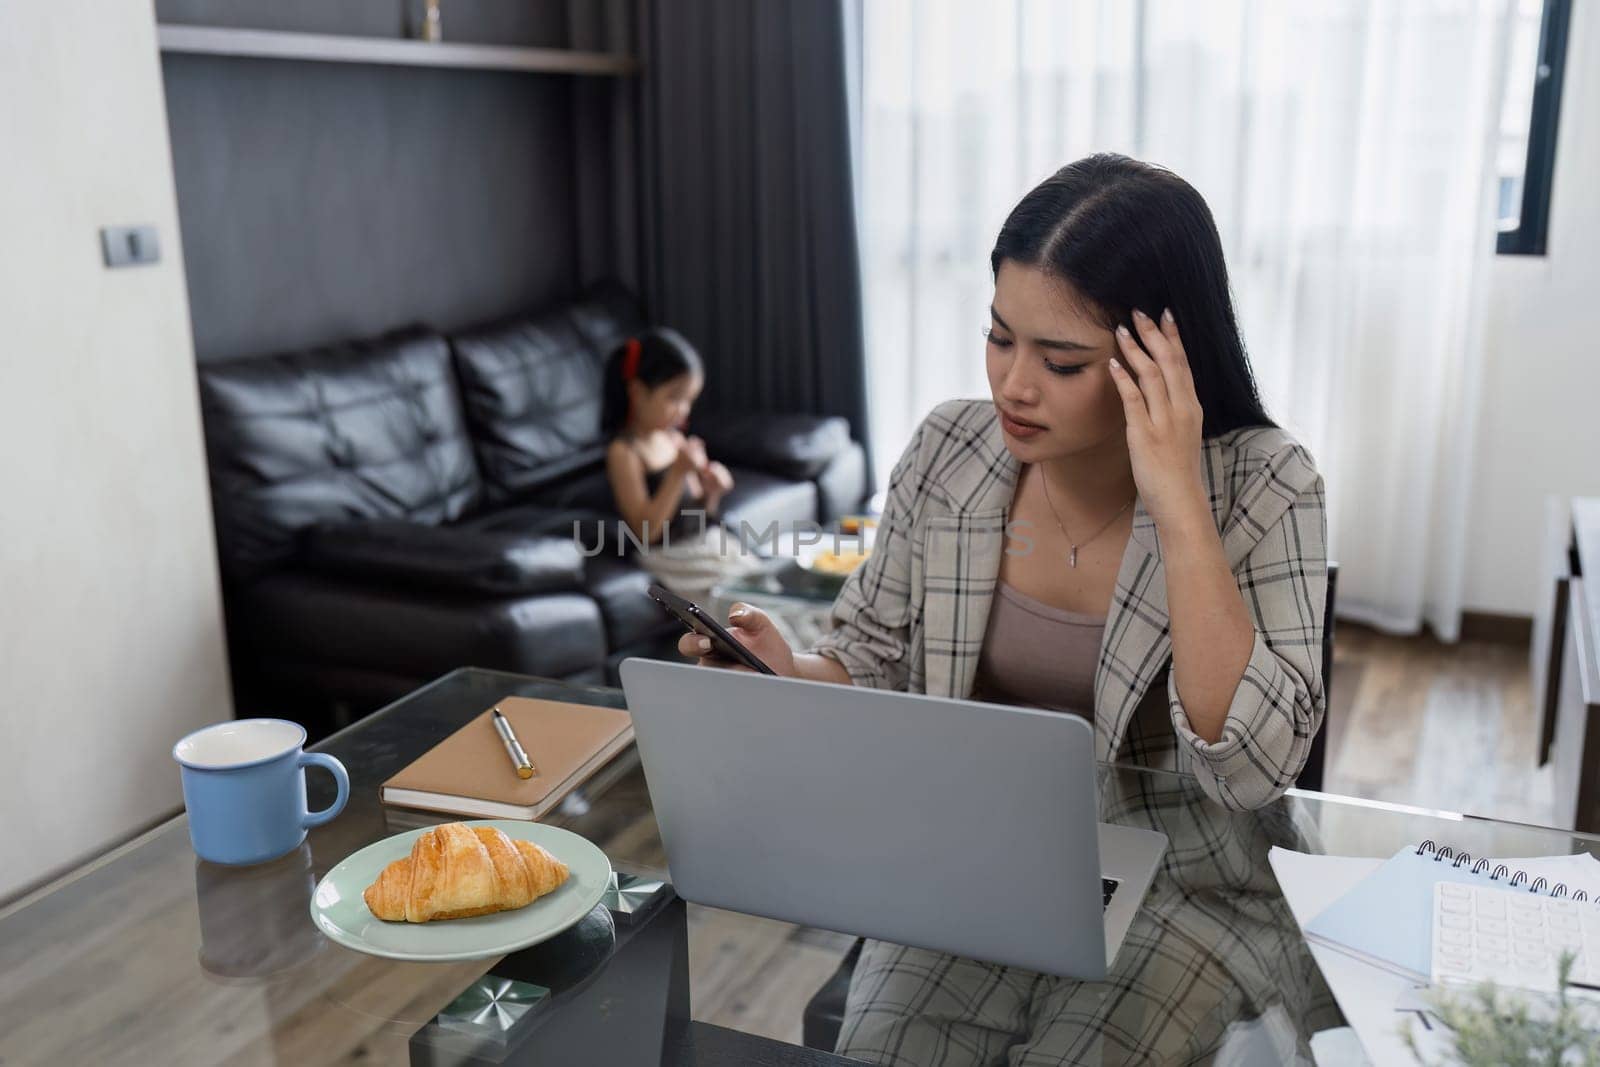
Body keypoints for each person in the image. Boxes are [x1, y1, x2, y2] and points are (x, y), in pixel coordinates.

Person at [678, 153, 1332, 1063]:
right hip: (977, 866)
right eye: (999, 337)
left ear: (1162, 358)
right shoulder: (952, 449)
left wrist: (1177, 496)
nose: (1013, 386)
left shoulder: (1267, 483)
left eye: (1061, 360)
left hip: (1185, 889)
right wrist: (791, 672)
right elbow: (871, 651)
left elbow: (1252, 766)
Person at [601, 327, 761, 601]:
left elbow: (697, 515)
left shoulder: (673, 439)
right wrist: (677, 473)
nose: (683, 410)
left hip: (702, 541)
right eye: (674, 398)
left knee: (766, 586)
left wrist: (712, 492)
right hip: (669, 555)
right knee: (741, 604)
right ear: (638, 392)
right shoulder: (624, 452)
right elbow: (646, 532)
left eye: (688, 400)